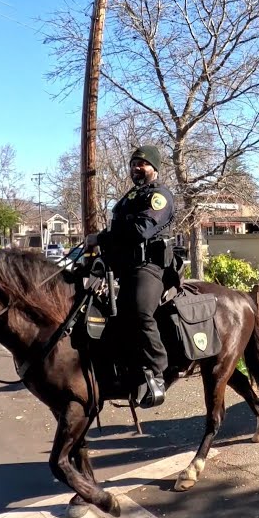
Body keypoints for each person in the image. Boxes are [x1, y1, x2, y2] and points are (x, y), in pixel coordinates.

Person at [85, 145, 176, 408]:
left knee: (139, 311)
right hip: (122, 267)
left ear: (154, 169)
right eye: (134, 163)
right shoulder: (129, 197)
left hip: (148, 267)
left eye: (143, 164)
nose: (137, 168)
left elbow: (141, 230)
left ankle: (157, 374)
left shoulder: (160, 196)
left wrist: (102, 236)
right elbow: (120, 228)